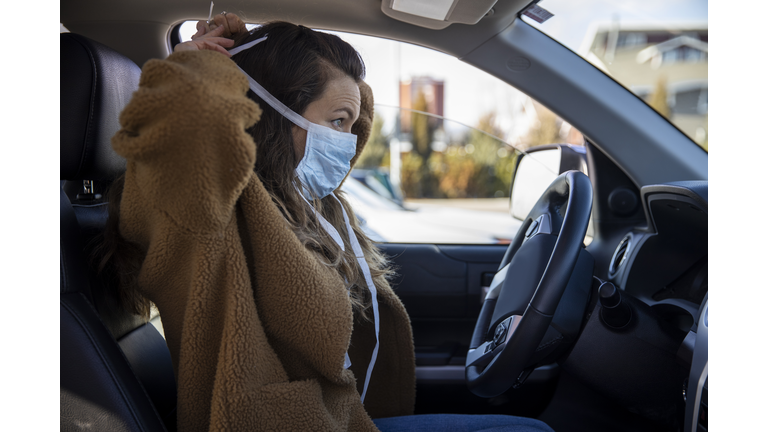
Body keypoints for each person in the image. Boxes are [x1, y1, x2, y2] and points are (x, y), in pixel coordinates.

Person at [103, 12, 555, 432]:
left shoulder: (303, 207)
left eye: (353, 125)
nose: (347, 142)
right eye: (337, 122)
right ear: (267, 114)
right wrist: (190, 78)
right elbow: (178, 157)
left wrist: (349, 101)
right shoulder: (203, 211)